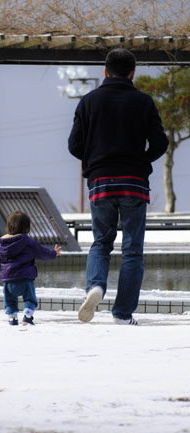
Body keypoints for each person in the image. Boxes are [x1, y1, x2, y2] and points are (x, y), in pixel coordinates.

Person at [68, 48, 169, 326]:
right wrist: (140, 160)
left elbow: (74, 145)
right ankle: (123, 313)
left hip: (100, 182)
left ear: (105, 71)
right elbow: (160, 143)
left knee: (101, 243)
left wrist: (95, 162)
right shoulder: (143, 101)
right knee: (133, 249)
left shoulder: (88, 102)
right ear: (132, 72)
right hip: (134, 183)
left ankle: (95, 287)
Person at [0, 210, 62, 326]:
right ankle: (27, 316)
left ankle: (12, 318)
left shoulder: (1, 244)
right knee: (30, 299)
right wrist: (53, 253)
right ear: (27, 228)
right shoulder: (28, 242)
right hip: (25, 279)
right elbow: (42, 252)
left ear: (8, 227)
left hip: (8, 280)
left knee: (10, 301)